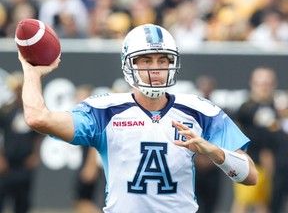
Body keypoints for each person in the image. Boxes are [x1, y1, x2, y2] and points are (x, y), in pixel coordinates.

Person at [18, 23, 258, 213]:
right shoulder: (104, 110)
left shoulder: (200, 111)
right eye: (146, 60)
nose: (155, 68)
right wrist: (31, 72)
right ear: (128, 64)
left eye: (162, 60)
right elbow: (38, 118)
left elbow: (250, 176)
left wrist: (215, 152)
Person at [230, 67, 280, 213]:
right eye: (261, 83)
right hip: (250, 162)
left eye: (268, 84)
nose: (264, 87)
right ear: (253, 84)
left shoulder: (275, 106)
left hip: (270, 165)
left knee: (263, 203)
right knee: (243, 202)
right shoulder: (246, 108)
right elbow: (234, 133)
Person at [0, 71, 43, 213]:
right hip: (8, 162)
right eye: (16, 89)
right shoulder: (5, 111)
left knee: (23, 201)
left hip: (25, 162)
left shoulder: (31, 111)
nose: (18, 92)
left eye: (21, 88)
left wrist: (35, 155)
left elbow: (38, 135)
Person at [73, 84, 105, 213]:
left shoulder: (92, 116)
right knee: (80, 199)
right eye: (78, 96)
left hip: (91, 165)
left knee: (82, 199)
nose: (79, 99)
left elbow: (95, 142)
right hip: (86, 162)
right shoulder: (81, 115)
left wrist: (90, 166)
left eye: (83, 96)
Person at [194, 75, 222, 213]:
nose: (206, 90)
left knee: (211, 206)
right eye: (203, 86)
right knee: (194, 205)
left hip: (213, 165)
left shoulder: (219, 112)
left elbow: (222, 138)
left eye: (208, 86)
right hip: (195, 166)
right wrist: (197, 158)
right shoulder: (190, 112)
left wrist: (212, 159)